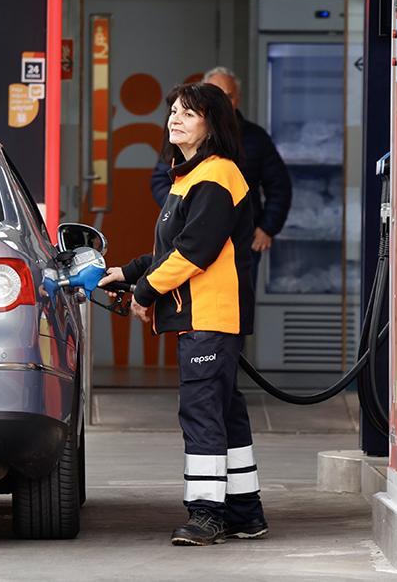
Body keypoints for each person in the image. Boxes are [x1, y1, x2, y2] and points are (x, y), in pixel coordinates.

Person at [101, 82, 267, 546]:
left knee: (201, 413)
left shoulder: (216, 175)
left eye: (188, 113)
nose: (175, 119)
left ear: (211, 124)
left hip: (210, 317)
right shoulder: (190, 177)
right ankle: (245, 513)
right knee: (225, 412)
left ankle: (207, 514)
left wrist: (145, 292)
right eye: (173, 111)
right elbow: (171, 246)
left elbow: (195, 251)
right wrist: (126, 271)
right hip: (206, 318)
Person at [150, 67, 292, 286]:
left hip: (239, 239)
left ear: (238, 99)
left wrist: (267, 227)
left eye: (228, 95)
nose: (176, 120)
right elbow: (160, 181)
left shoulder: (236, 154)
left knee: (235, 296)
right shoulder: (182, 139)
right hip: (189, 236)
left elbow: (279, 185)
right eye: (174, 112)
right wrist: (180, 212)